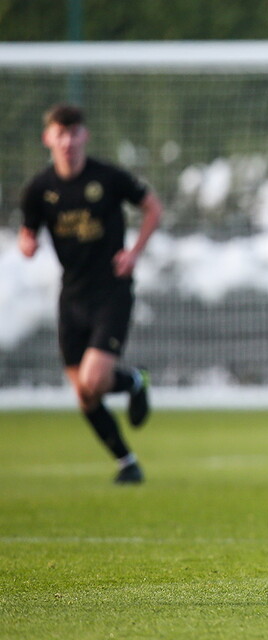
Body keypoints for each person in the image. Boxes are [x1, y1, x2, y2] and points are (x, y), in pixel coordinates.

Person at [18, 103, 162, 485]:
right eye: (59, 134)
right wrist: (26, 243)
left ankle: (133, 382)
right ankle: (126, 460)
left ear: (85, 136)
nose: (67, 142)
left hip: (111, 291)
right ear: (48, 138)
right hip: (72, 296)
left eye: (74, 133)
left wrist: (134, 253)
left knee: (94, 380)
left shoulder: (108, 178)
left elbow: (152, 208)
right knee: (84, 394)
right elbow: (27, 232)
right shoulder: (39, 189)